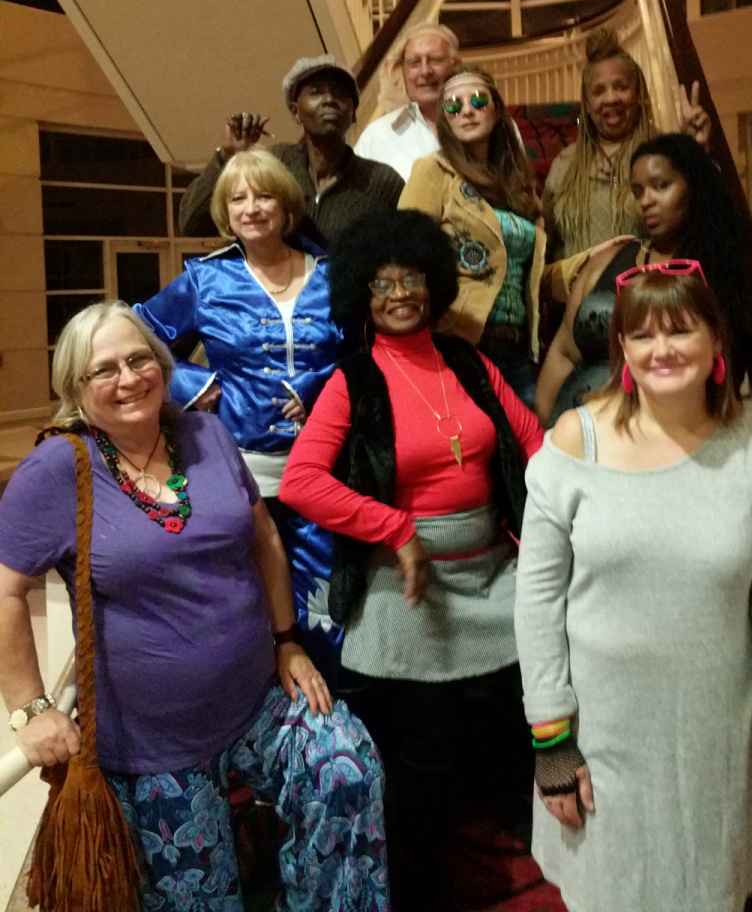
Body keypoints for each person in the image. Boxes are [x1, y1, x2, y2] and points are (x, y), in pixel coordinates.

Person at [0, 302, 388, 912]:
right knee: (204, 899)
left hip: (257, 702)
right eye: (105, 370)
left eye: (139, 359)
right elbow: (5, 591)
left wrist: (287, 640)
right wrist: (30, 709)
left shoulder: (205, 434)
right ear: (75, 387)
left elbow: (264, 536)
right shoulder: (57, 468)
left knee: (348, 772)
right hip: (152, 745)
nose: (129, 378)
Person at [515, 268, 752, 912]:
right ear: (622, 349)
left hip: (714, 744)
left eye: (680, 330)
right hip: (600, 743)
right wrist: (550, 737)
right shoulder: (575, 442)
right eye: (641, 335)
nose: (661, 349)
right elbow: (537, 605)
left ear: (715, 341)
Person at [278, 209, 545, 911]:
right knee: (424, 777)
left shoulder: (470, 362)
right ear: (360, 296)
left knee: (506, 754)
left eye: (412, 277)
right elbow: (301, 482)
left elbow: (536, 446)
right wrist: (393, 528)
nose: (400, 293)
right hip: (408, 598)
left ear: (435, 282)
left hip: (495, 581)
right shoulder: (355, 381)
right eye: (382, 283)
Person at [137, 147, 343, 673]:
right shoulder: (206, 279)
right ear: (225, 212)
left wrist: (321, 387)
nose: (251, 208)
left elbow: (364, 352)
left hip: (324, 465)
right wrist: (193, 384)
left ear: (286, 205)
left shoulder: (333, 275)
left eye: (264, 195)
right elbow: (140, 335)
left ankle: (327, 706)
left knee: (326, 601)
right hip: (238, 469)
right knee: (244, 593)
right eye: (238, 199)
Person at [535, 132, 752, 428]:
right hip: (575, 437)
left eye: (661, 185)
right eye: (638, 191)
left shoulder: (745, 267)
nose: (645, 201)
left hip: (685, 444)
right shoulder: (607, 261)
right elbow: (564, 352)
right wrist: (539, 436)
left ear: (696, 187)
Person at [398, 64, 548, 404]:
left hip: (517, 345)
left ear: (496, 111)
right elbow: (404, 253)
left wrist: (591, 261)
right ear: (445, 120)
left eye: (478, 100)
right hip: (460, 341)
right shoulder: (434, 171)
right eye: (453, 105)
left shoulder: (518, 184)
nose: (466, 110)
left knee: (532, 435)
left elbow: (531, 272)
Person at [178, 54, 404, 246]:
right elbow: (192, 224)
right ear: (295, 112)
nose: (329, 99)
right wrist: (228, 156)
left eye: (339, 93)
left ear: (353, 113)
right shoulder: (273, 164)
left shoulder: (382, 182)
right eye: (316, 92)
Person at [542, 26, 710, 261]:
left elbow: (700, 226)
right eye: (598, 91)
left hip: (647, 283)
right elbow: (546, 248)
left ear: (638, 95)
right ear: (587, 104)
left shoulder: (663, 155)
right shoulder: (563, 166)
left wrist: (695, 154)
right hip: (577, 286)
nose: (611, 98)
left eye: (621, 87)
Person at [353, 22, 460, 181]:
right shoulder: (378, 135)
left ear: (456, 66)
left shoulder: (482, 123)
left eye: (435, 60)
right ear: (402, 71)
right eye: (414, 62)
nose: (425, 71)